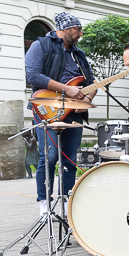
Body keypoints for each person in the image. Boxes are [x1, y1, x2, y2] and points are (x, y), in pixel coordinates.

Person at [25, 12, 95, 217]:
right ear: (66, 29)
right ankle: (44, 203)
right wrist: (67, 89)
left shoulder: (78, 54)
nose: (80, 34)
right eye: (78, 30)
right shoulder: (40, 46)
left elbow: (90, 83)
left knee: (70, 159)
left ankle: (66, 202)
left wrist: (87, 100)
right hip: (46, 109)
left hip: (74, 112)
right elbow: (33, 76)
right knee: (49, 156)